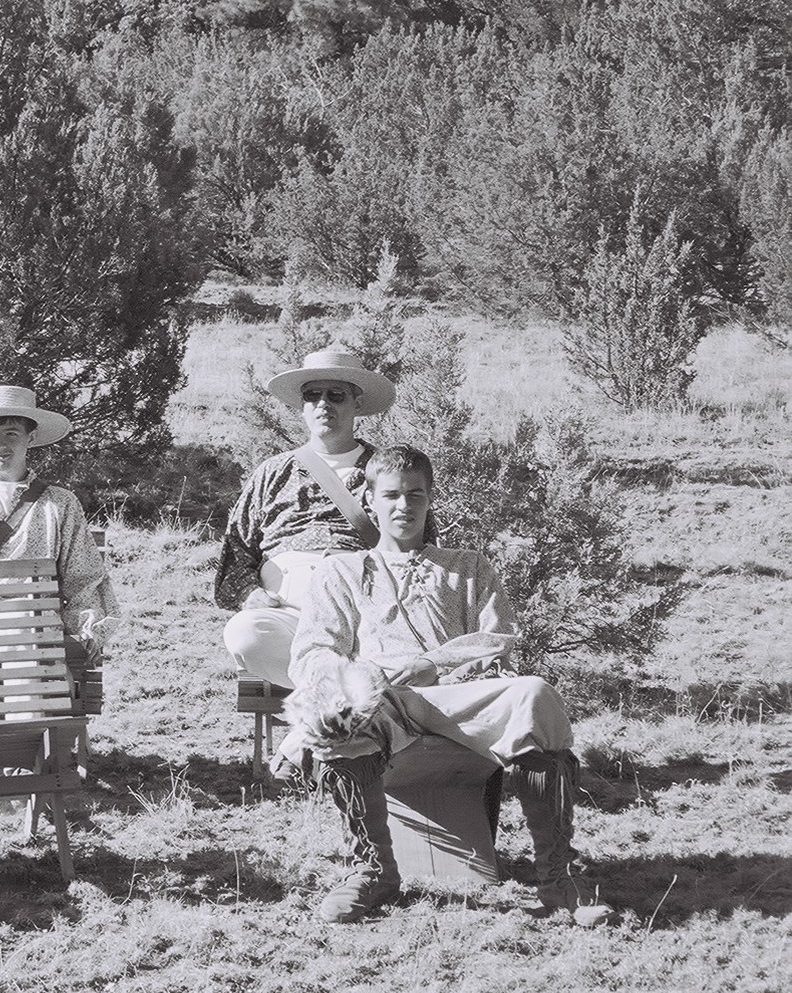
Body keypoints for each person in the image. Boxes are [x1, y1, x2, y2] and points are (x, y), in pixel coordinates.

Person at [282, 445, 613, 928]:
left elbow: (498, 637)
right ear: (370, 499)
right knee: (341, 711)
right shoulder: (342, 571)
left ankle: (557, 881)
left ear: (430, 497)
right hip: (385, 703)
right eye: (391, 495)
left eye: (415, 494)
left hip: (458, 695)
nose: (403, 506)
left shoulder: (468, 565)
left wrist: (432, 664)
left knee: (534, 694)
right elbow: (313, 651)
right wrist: (358, 679)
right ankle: (373, 871)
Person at [216, 348, 397, 689]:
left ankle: (329, 692)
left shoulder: (387, 470)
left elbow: (419, 543)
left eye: (336, 395)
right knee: (245, 634)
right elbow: (236, 551)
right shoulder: (272, 472)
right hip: (287, 612)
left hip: (364, 612)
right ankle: (348, 688)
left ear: (357, 403)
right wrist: (248, 593)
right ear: (302, 405)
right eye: (313, 395)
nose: (323, 403)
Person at [0, 385, 120, 665]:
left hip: (32, 622)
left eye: (11, 434)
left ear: (30, 438)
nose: (0, 445)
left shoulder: (59, 503)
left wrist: (86, 629)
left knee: (21, 623)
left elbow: (83, 576)